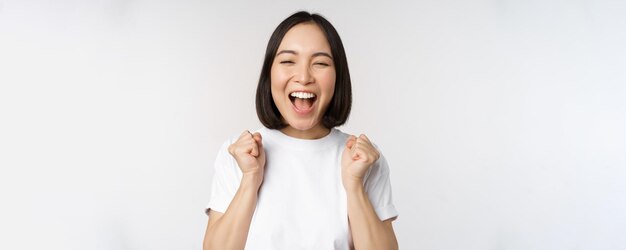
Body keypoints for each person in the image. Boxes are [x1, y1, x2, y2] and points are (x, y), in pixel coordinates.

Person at [202, 11, 399, 250]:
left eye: (320, 63)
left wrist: (355, 184)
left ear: (338, 77)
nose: (304, 77)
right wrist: (250, 179)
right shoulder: (237, 153)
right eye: (288, 61)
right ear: (269, 74)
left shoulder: (364, 159)